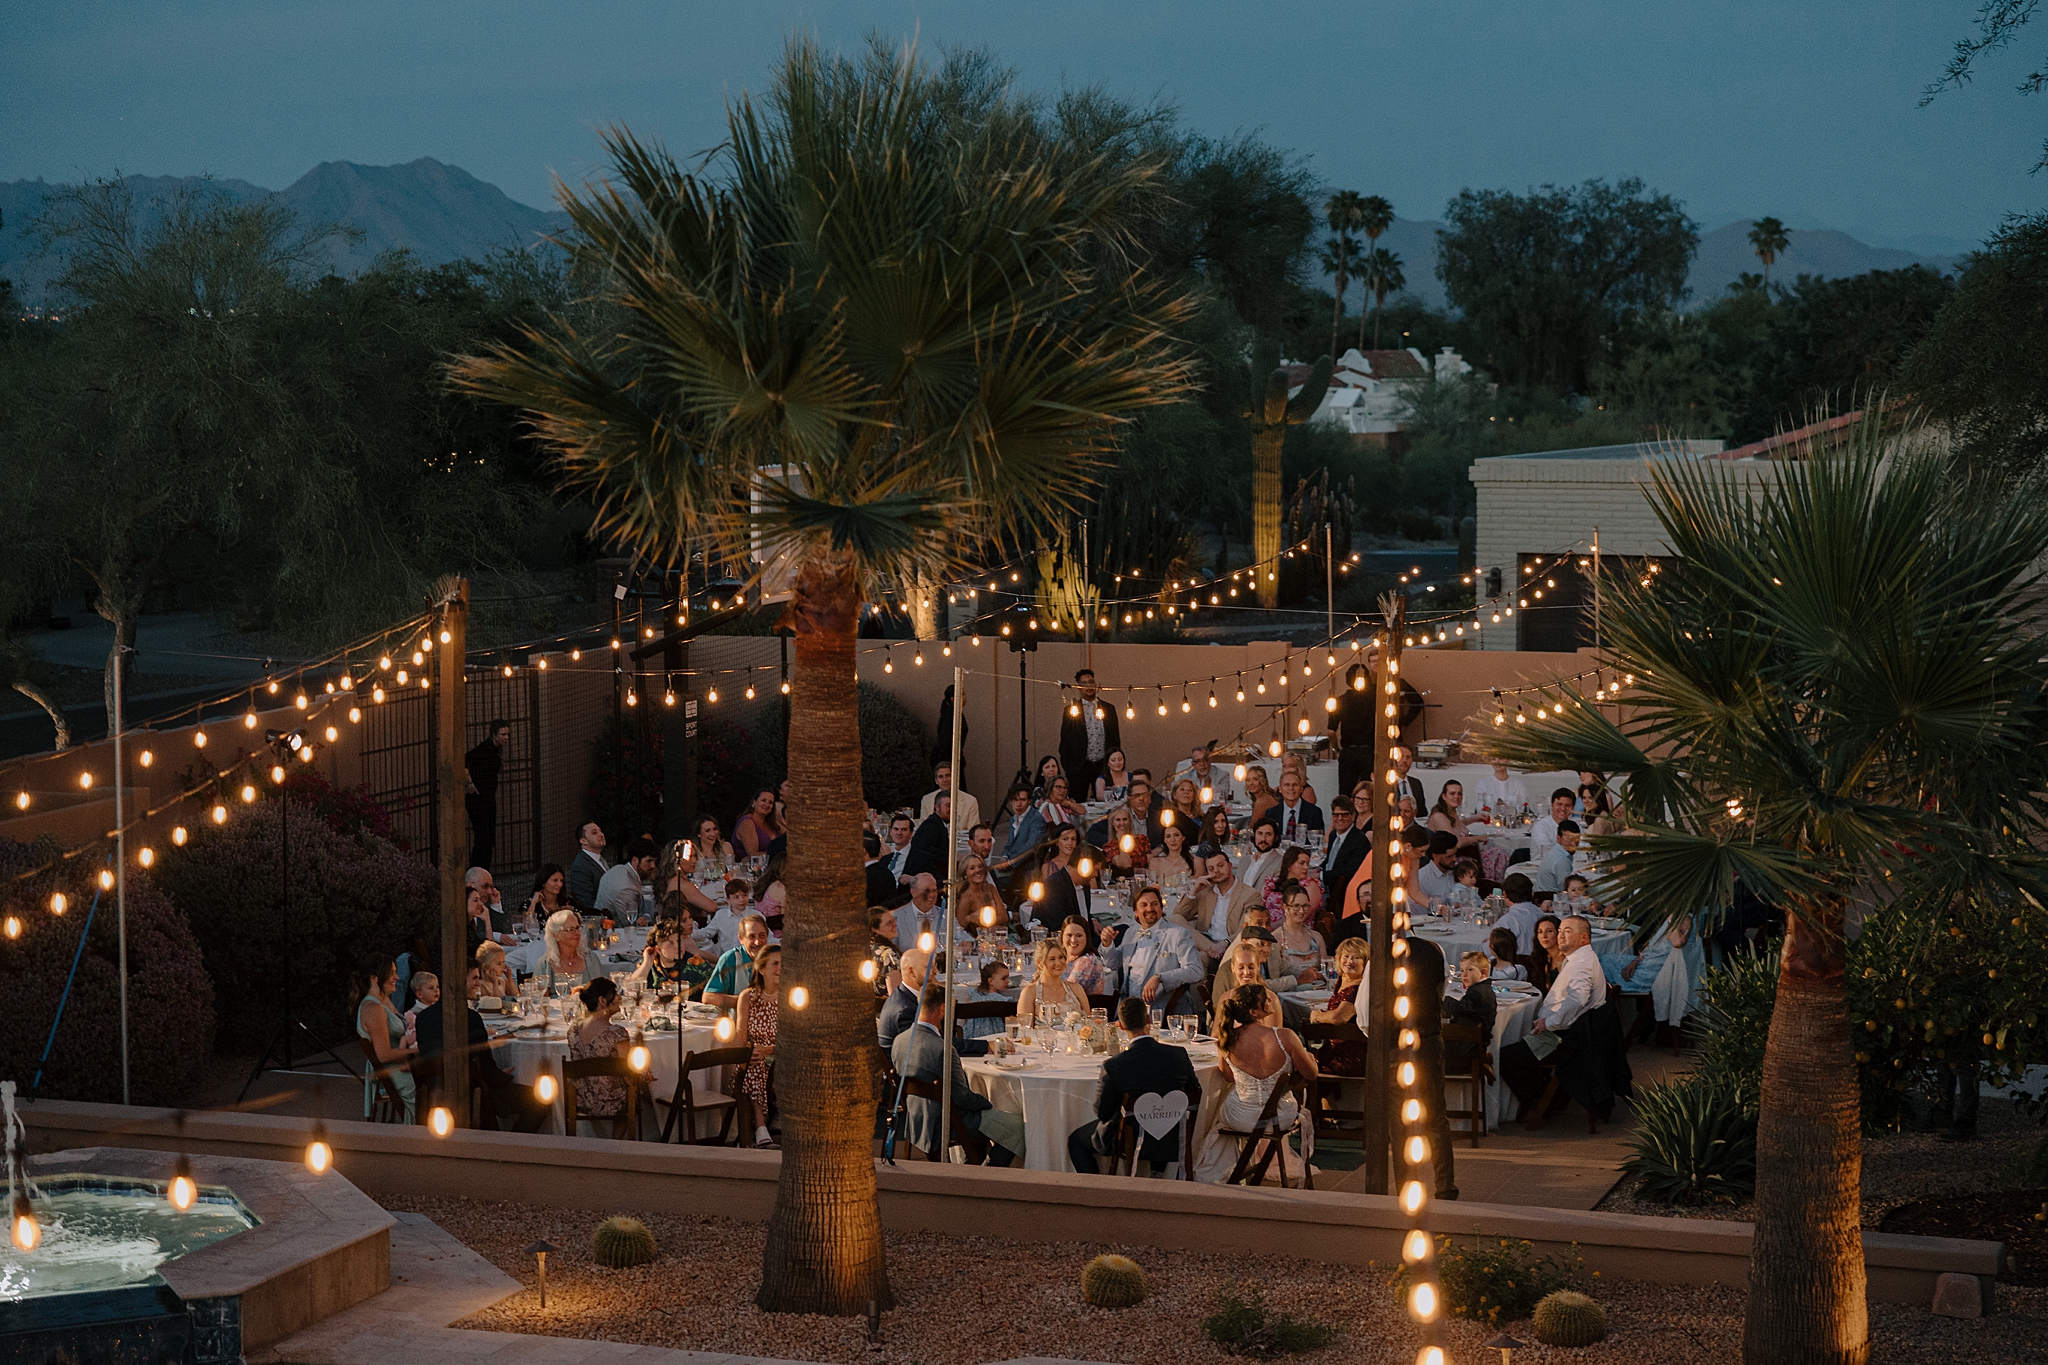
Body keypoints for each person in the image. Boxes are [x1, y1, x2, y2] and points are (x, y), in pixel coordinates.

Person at [1194, 981, 1318, 1184]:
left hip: (1240, 1117)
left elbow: (1227, 1077)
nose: (1270, 1001)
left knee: (1220, 1110)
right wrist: (1311, 1059)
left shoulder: (1227, 1038)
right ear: (1254, 1011)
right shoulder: (1285, 1036)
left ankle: (1233, 1170)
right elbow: (1311, 1075)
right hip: (1280, 1117)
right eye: (1265, 1000)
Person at [892, 984, 1026, 1166]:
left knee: (993, 1124)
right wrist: (987, 1103)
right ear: (942, 1009)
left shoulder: (899, 1041)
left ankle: (970, 1166)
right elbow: (963, 1098)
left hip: (916, 1118)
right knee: (1018, 1126)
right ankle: (989, 1173)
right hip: (945, 1122)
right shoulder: (943, 1049)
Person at [1068, 997, 1203, 1176]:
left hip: (1128, 1140)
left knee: (1076, 1141)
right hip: (1171, 1136)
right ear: (1148, 1020)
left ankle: (1095, 1191)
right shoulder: (1178, 1055)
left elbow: (1102, 1112)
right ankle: (1157, 1172)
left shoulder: (1114, 1066)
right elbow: (1194, 1092)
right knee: (1161, 1114)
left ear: (1122, 1027)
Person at [1497, 916, 1616, 1120]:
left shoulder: (1581, 965)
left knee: (1506, 1056)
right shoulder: (1580, 959)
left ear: (1584, 938)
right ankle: (1544, 1097)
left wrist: (1548, 1022)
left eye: (1567, 931)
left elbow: (1577, 999)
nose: (1560, 935)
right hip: (1571, 1033)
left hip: (1566, 1040)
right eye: (1560, 930)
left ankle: (1540, 1100)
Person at [413, 963, 550, 1133]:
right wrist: (503, 1076)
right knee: (542, 1100)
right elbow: (486, 1069)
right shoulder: (469, 1018)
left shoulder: (423, 1018)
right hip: (474, 1094)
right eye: (474, 978)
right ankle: (511, 1148)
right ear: (459, 982)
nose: (478, 983)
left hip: (435, 1094)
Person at [1402, 927, 1458, 1198]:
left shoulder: (1383, 955)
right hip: (1431, 1037)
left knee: (1397, 1118)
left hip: (1396, 1043)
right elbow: (1443, 990)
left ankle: (1407, 1184)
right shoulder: (1435, 950)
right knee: (1436, 1115)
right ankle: (1445, 1185)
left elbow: (1367, 1014)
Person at [1102, 884, 1204, 1009]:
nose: (1150, 908)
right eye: (1144, 905)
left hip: (1163, 1009)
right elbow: (1113, 964)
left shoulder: (1178, 934)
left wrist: (1160, 978)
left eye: (1154, 904)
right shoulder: (1131, 933)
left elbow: (1196, 970)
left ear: (1161, 908)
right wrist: (1107, 945)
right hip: (1129, 1009)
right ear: (1136, 912)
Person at [1172, 844, 1261, 963]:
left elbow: (1246, 929)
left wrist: (1224, 943)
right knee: (1175, 919)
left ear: (1230, 866)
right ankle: (1211, 950)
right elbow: (1179, 915)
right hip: (1207, 943)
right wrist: (1194, 891)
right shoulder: (1205, 891)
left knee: (1197, 958)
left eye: (1220, 865)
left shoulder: (1250, 894)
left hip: (1231, 946)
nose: (1216, 871)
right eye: (1211, 869)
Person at [564, 977, 634, 1128]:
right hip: (613, 1101)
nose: (619, 998)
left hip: (582, 1099)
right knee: (639, 1089)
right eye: (615, 994)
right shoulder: (617, 1033)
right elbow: (628, 1074)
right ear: (602, 1000)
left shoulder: (573, 1030)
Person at [354, 957, 416, 1122]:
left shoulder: (384, 1001)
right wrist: (415, 1051)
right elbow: (383, 1055)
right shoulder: (373, 1008)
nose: (397, 977)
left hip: (400, 1064)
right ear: (374, 978)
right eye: (391, 973)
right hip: (393, 1071)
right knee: (435, 1086)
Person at [735, 943, 782, 1147]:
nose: (781, 968)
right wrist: (741, 1055)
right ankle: (760, 1127)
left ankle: (762, 1126)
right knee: (752, 1062)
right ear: (761, 969)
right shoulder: (749, 997)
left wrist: (769, 1050)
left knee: (761, 1061)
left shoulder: (791, 997)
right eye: (775, 964)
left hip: (781, 1053)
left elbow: (794, 1038)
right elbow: (740, 1034)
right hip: (755, 1054)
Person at [1058, 668, 1122, 798]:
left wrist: (1113, 763)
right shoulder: (1071, 710)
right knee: (1078, 802)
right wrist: (1069, 768)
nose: (1089, 686)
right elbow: (1065, 741)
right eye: (1084, 683)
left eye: (1091, 682)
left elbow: (1115, 739)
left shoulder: (1109, 709)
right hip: (1080, 766)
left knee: (1105, 801)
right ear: (1079, 688)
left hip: (1103, 765)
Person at [1309, 938, 1370, 1075]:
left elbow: (1339, 1017)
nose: (1349, 962)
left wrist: (1318, 1016)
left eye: (1356, 958)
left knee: (1305, 1066)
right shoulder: (1343, 981)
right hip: (1333, 1049)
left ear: (1365, 963)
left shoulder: (1358, 988)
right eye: (1346, 956)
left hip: (1349, 1055)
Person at [1210, 943, 1284, 1041]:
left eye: (1251, 967)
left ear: (1258, 967)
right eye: (1241, 967)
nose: (1246, 972)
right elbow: (1216, 1035)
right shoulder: (1226, 997)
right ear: (1233, 968)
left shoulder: (1269, 999)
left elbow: (1274, 1038)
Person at [464, 719, 511, 871]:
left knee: (488, 839)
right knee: (483, 839)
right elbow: (465, 759)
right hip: (478, 798)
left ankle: (483, 872)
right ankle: (475, 872)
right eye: (502, 734)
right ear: (494, 734)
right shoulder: (485, 749)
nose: (505, 738)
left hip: (488, 797)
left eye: (507, 734)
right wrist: (470, 783)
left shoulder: (495, 749)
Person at [1443, 952, 1499, 1074]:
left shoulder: (1478, 992)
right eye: (1462, 970)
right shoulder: (1484, 989)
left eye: (1470, 970)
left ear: (1483, 972)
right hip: (1471, 1046)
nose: (1464, 974)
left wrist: (1445, 999)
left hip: (1466, 1051)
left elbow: (1460, 1008)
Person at [703, 913, 770, 1010]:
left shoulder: (774, 960)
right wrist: (745, 1001)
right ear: (741, 939)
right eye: (751, 937)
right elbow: (709, 997)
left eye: (762, 936)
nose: (757, 942)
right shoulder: (730, 959)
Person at [1017, 936, 1091, 1019]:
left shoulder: (1076, 989)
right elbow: (1024, 1029)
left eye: (1061, 957)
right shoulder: (1029, 992)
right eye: (1052, 959)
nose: (1058, 963)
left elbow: (1088, 1023)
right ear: (1039, 963)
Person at [1271, 882, 1327, 983]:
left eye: (1305, 906)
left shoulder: (1316, 937)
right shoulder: (1276, 938)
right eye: (1296, 906)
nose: (1301, 911)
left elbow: (1325, 970)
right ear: (1285, 907)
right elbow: (1275, 975)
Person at [595, 836, 659, 924]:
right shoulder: (626, 889)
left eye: (654, 861)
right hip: (614, 932)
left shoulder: (618, 869)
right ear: (635, 860)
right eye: (649, 861)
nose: (653, 866)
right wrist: (648, 918)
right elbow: (631, 923)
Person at [876, 946, 929, 1050]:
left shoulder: (903, 995)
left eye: (934, 966)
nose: (935, 971)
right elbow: (925, 1046)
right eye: (928, 967)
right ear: (911, 972)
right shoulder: (905, 1010)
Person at [629, 918, 697, 996]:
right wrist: (647, 963)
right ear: (658, 949)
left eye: (679, 941)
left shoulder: (695, 963)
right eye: (671, 944)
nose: (677, 946)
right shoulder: (649, 964)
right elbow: (631, 989)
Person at [994, 785, 1045, 886]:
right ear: (1010, 802)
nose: (1018, 804)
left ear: (1029, 801)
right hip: (1012, 865)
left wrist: (1010, 862)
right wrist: (1004, 857)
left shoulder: (1036, 818)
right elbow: (1010, 843)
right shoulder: (1013, 818)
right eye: (1015, 800)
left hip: (1028, 868)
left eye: (1023, 799)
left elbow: (1032, 845)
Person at [1320, 796, 1368, 895]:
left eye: (1344, 815)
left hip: (1344, 894)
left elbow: (1348, 873)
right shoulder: (1333, 835)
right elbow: (1330, 861)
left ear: (1353, 816)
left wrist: (1321, 875)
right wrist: (1319, 868)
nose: (1340, 818)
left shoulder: (1359, 841)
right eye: (1336, 815)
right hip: (1327, 888)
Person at [1262, 847, 1323, 923]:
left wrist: (1271, 928)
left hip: (1293, 929)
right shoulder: (1273, 882)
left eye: (1307, 864)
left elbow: (1300, 915)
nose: (1306, 867)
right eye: (1302, 863)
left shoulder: (1310, 885)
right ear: (1289, 864)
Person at [1059, 915, 1115, 997]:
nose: (1073, 940)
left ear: (1086, 937)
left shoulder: (1088, 961)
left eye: (1079, 935)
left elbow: (1067, 992)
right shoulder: (1062, 958)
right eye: (1069, 935)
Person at [903, 791, 954, 880]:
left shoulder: (937, 823)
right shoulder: (932, 825)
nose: (952, 809)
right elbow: (925, 848)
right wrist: (951, 857)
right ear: (937, 807)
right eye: (948, 805)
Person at [542, 908, 596, 992]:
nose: (577, 933)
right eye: (570, 930)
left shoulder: (590, 958)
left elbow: (604, 991)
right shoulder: (545, 964)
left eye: (577, 928)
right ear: (556, 935)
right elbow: (539, 999)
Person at [918, 760, 981, 832]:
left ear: (955, 777)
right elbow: (924, 828)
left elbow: (974, 831)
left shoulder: (970, 801)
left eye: (948, 775)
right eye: (941, 777)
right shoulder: (927, 800)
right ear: (936, 780)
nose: (945, 780)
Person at [960, 960, 1013, 1041]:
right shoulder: (1001, 1000)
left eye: (1007, 978)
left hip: (971, 1038)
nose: (1007, 981)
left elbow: (966, 1017)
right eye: (1003, 978)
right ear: (991, 981)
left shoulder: (973, 995)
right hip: (996, 1037)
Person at [1495, 873, 1543, 957]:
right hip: (1540, 965)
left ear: (1504, 894)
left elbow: (1492, 950)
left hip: (1515, 966)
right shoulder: (1541, 915)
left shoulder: (1506, 921)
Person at [1429, 781, 1481, 858]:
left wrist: (1475, 818)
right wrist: (1478, 838)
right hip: (1452, 859)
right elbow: (1456, 842)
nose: (1456, 796)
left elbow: (1457, 825)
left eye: (1459, 793)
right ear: (1444, 796)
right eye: (1452, 793)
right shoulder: (1439, 816)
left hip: (1463, 854)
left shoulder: (1451, 812)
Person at [567, 819, 609, 914]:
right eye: (594, 833)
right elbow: (586, 901)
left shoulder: (600, 860)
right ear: (583, 841)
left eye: (600, 831)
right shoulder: (580, 866)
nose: (601, 834)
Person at [1271, 769, 1323, 844]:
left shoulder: (1314, 812)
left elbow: (1317, 843)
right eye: (1287, 785)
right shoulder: (1271, 813)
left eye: (1295, 785)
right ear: (1280, 789)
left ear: (1301, 789)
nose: (1291, 788)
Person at [955, 854, 1006, 932]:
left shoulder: (990, 888)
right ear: (965, 874)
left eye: (980, 867)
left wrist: (977, 920)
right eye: (972, 868)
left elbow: (1004, 918)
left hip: (997, 934)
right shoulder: (965, 898)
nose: (977, 870)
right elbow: (960, 926)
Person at [1414, 832, 1462, 913]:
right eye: (1449, 856)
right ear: (1435, 856)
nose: (1455, 859)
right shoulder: (1422, 878)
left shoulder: (1457, 871)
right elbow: (1419, 914)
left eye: (1455, 854)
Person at [1528, 788, 1578, 865]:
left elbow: (1585, 850)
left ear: (1572, 808)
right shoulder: (1541, 827)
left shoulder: (1576, 825)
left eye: (1567, 805)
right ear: (1552, 805)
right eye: (1559, 804)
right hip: (1542, 868)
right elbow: (1547, 852)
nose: (1563, 808)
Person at [1533, 819, 1581, 896]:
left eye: (1577, 840)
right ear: (1558, 839)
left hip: (1540, 895)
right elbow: (1567, 890)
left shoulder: (1554, 852)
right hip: (1551, 900)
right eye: (1569, 840)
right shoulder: (1561, 861)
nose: (1574, 845)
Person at [735, 787, 784, 858]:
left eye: (770, 802)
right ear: (754, 802)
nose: (766, 805)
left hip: (772, 864)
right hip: (752, 866)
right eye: (763, 800)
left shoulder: (771, 823)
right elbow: (753, 854)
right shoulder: (747, 822)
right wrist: (777, 854)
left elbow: (789, 835)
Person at [1102, 804, 1149, 877]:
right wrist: (1121, 840)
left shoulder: (1142, 839)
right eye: (1118, 820)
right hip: (1123, 882)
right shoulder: (1110, 846)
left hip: (1143, 880)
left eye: (1125, 819)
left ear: (1130, 821)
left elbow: (1150, 863)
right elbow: (1126, 865)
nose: (1122, 823)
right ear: (1112, 823)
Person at [1239, 817, 1283, 891]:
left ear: (1275, 837)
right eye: (1260, 834)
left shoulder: (1280, 863)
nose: (1263, 839)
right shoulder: (1244, 860)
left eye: (1268, 834)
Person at [867, 907, 903, 997]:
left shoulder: (866, 948)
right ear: (874, 929)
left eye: (894, 920)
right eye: (889, 923)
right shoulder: (888, 954)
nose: (895, 925)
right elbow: (895, 996)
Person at [524, 864, 569, 929]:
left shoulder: (567, 903)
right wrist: (533, 904)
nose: (559, 885)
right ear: (543, 882)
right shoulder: (529, 904)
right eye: (555, 880)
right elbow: (525, 928)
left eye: (561, 881)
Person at [400, 971, 438, 1049]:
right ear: (419, 994)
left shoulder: (437, 1008)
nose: (436, 990)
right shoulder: (413, 1015)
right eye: (431, 988)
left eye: (437, 986)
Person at [1527, 914, 1564, 993]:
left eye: (1549, 931)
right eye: (1540, 932)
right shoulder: (1541, 957)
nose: (1544, 936)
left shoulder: (1564, 959)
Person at [1390, 746, 1430, 814]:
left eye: (1408, 757)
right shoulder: (1388, 784)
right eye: (1401, 756)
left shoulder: (1416, 783)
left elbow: (1422, 812)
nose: (1405, 760)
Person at [882, 812, 917, 884]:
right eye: (896, 829)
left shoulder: (922, 858)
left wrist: (913, 880)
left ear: (911, 833)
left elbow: (936, 881)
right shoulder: (884, 860)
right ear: (891, 832)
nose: (899, 833)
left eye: (904, 830)